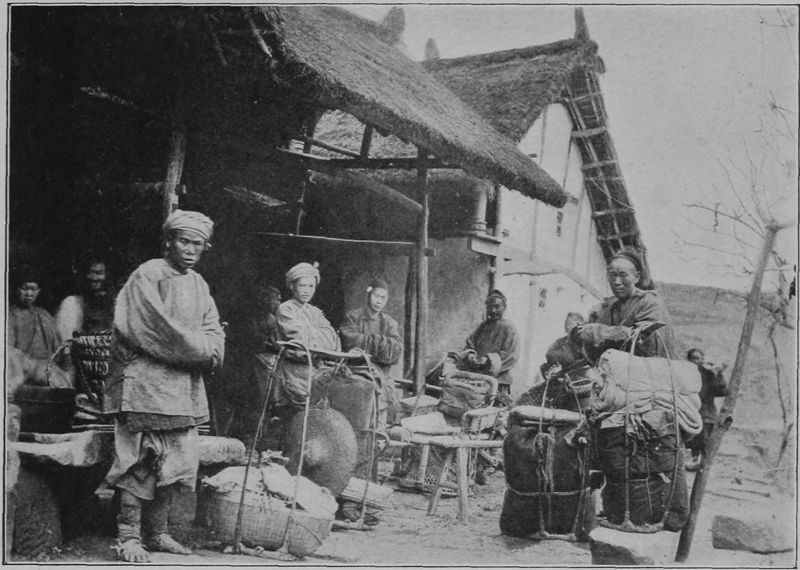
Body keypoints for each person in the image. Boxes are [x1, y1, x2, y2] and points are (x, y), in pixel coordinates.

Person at [102, 210, 225, 563]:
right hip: (144, 382)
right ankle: (129, 536)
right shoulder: (148, 274)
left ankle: (157, 533)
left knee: (176, 459)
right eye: (184, 241)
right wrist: (199, 350)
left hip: (183, 389)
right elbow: (154, 329)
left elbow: (214, 332)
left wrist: (207, 349)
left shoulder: (199, 284)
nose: (190, 249)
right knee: (141, 458)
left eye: (198, 244)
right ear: (168, 241)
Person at [573, 248, 676, 362]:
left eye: (623, 275)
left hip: (648, 368)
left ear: (636, 277)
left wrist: (597, 332)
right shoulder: (608, 307)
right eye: (612, 275)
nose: (617, 281)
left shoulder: (650, 301)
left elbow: (643, 338)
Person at [272, 262, 341, 410]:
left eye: (311, 286)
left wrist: (312, 334)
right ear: (292, 286)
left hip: (316, 366)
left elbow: (333, 338)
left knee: (344, 386)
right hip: (295, 370)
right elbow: (300, 340)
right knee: (319, 392)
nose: (307, 291)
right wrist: (318, 334)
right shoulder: (285, 310)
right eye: (302, 286)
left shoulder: (315, 312)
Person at [340, 277, 402, 410]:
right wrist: (381, 344)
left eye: (383, 298)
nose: (379, 301)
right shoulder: (353, 317)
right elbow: (349, 340)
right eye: (376, 296)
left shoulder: (390, 323)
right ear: (369, 295)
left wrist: (368, 343)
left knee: (386, 406)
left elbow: (396, 350)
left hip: (383, 375)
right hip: (357, 371)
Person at [460, 289, 520, 397]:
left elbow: (510, 355)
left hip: (498, 380)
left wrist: (489, 361)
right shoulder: (483, 326)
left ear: (504, 307)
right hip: (477, 377)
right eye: (490, 307)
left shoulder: (509, 328)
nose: (493, 310)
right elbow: (470, 343)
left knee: (492, 405)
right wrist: (470, 354)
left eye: (497, 307)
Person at [8, 275, 65, 385]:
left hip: (49, 368)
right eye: (25, 289)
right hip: (21, 370)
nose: (29, 293)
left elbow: (58, 349)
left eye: (33, 289)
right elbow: (10, 352)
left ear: (38, 291)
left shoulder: (44, 315)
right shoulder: (10, 315)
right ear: (17, 290)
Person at [685, 348, 728, 471]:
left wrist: (719, 374)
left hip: (707, 410)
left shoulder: (707, 374)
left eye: (700, 358)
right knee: (694, 434)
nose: (698, 361)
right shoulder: (685, 373)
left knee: (706, 435)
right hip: (691, 408)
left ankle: (703, 462)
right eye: (695, 358)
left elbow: (721, 391)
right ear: (689, 360)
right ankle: (695, 459)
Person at [55, 257, 115, 339]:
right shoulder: (72, 303)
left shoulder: (113, 302)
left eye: (99, 273)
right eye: (89, 273)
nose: (94, 278)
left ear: (106, 275)